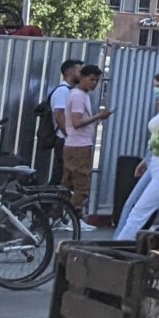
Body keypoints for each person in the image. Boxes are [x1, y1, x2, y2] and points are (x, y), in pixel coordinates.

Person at [114, 73, 159, 243]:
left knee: (139, 210)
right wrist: (146, 163)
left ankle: (120, 243)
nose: (158, 101)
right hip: (158, 168)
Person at [60, 63, 110, 217]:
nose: (94, 83)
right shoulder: (78, 96)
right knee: (81, 185)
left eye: (97, 81)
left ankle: (60, 215)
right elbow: (76, 123)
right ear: (82, 77)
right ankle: (71, 217)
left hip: (75, 145)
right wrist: (98, 117)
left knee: (67, 184)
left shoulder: (81, 95)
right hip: (79, 146)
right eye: (92, 79)